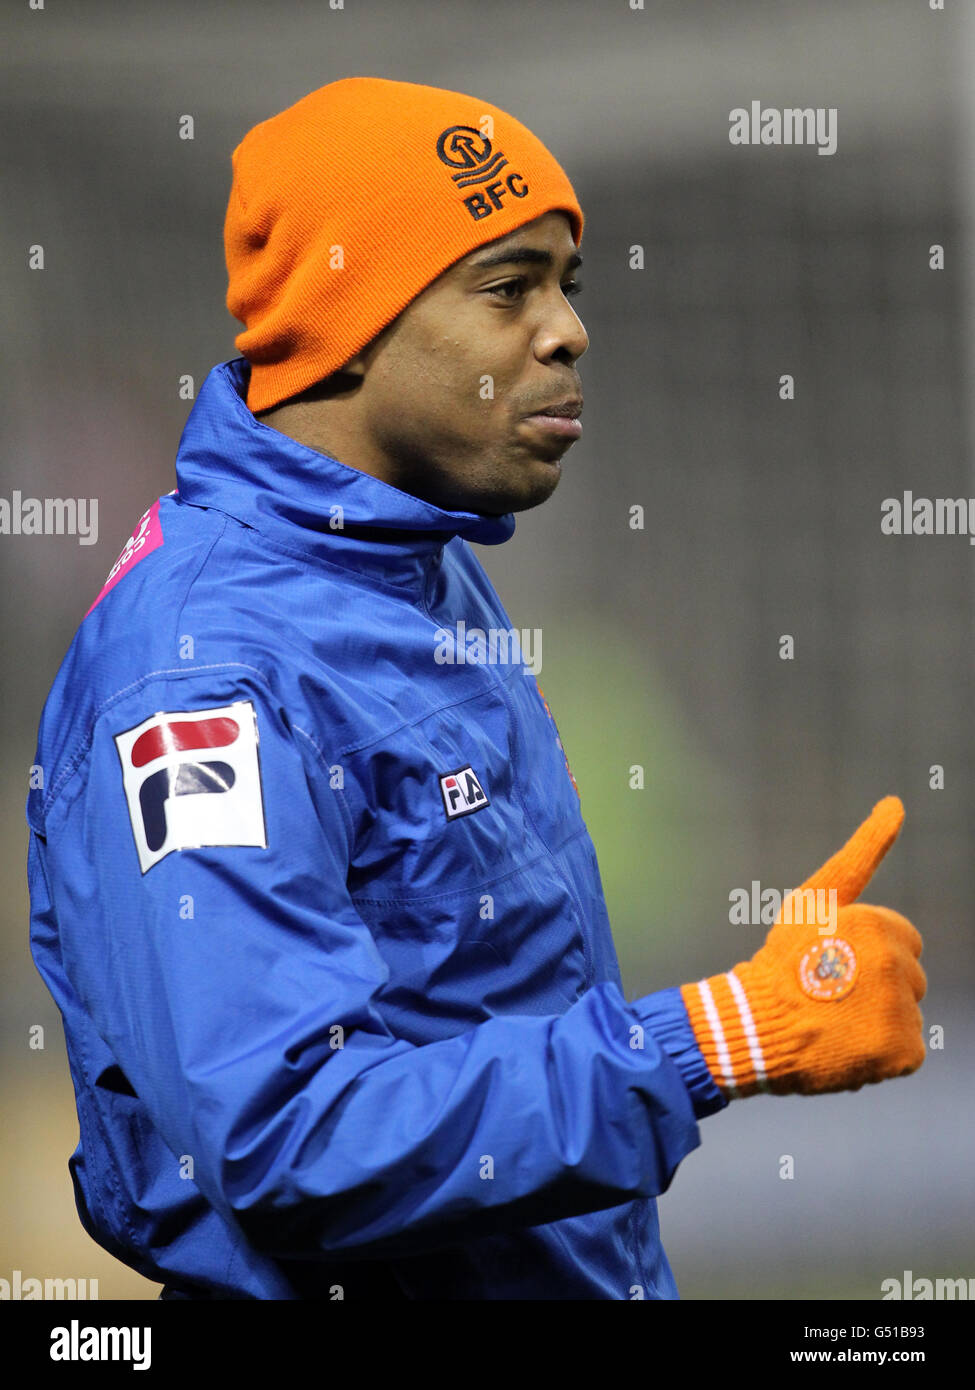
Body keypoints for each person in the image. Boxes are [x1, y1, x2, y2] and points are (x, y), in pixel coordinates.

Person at [27, 76, 926, 1301]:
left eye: (567, 283)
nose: (566, 329)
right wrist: (717, 1037)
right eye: (507, 288)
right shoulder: (201, 680)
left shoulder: (416, 570)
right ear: (348, 326)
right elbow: (286, 1134)